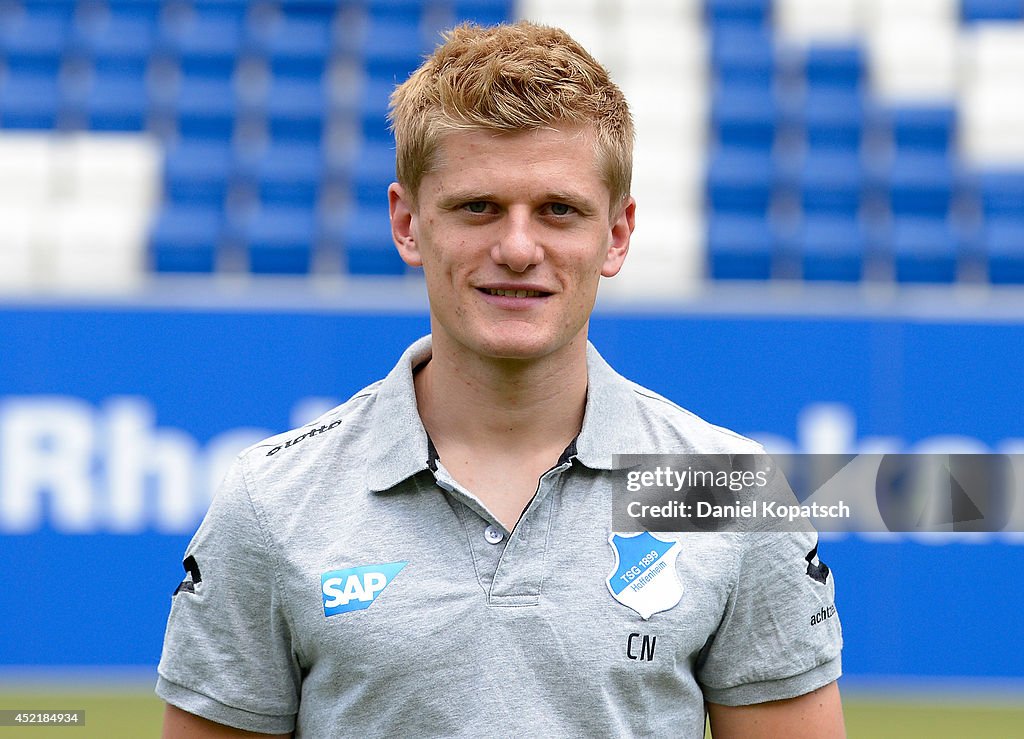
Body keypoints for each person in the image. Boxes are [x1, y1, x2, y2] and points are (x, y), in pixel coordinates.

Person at [157, 21, 844, 738]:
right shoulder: (273, 501)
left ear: (616, 234)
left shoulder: (729, 492)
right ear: (408, 223)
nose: (518, 248)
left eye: (559, 210)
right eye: (477, 207)